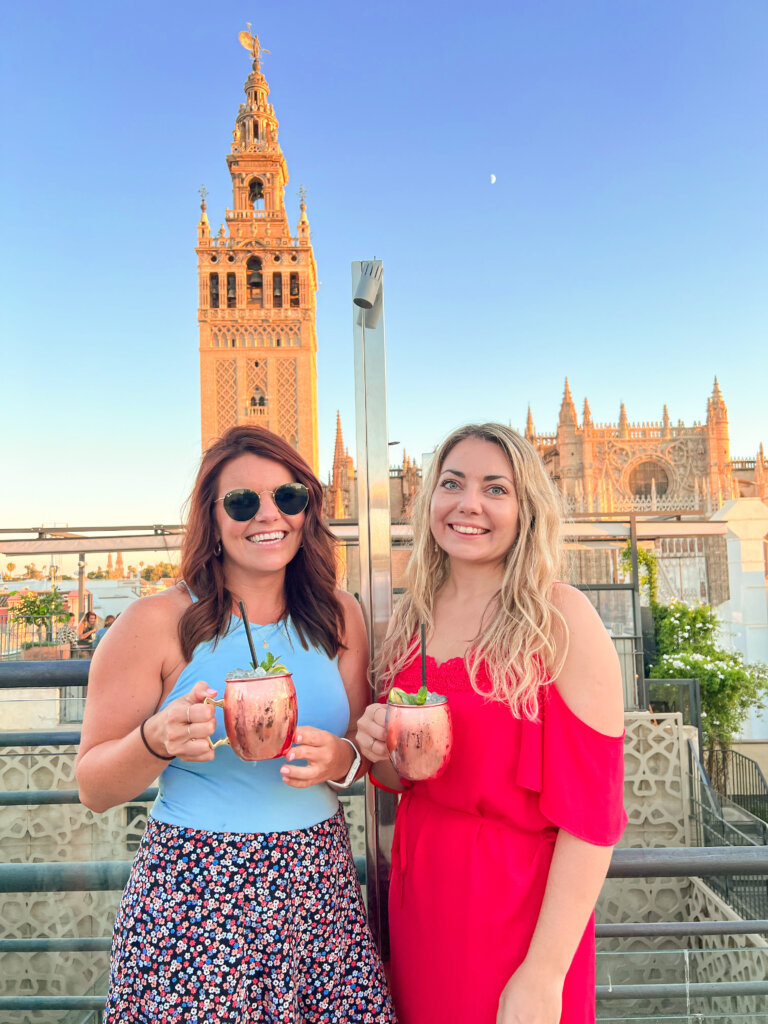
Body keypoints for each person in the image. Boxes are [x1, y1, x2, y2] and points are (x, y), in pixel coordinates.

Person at [76, 425, 396, 1024]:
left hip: (317, 887)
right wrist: (154, 739)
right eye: (243, 502)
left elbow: (362, 751)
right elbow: (94, 788)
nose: (268, 516)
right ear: (212, 518)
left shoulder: (338, 615)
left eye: (289, 498)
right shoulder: (153, 623)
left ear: (309, 510)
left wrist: (343, 760)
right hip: (196, 891)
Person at [356, 423, 627, 1024]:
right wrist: (377, 746)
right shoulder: (410, 618)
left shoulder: (561, 618)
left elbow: (594, 816)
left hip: (517, 914)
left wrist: (545, 972)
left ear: (526, 507)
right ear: (429, 501)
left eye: (494, 488)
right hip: (421, 899)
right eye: (451, 483)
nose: (468, 503)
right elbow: (402, 779)